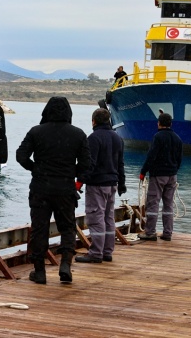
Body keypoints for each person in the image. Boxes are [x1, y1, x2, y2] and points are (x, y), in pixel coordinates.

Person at [16, 96, 91, 284]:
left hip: (41, 188)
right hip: (65, 189)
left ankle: (39, 271)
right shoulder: (78, 134)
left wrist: (36, 168)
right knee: (67, 228)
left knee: (39, 229)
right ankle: (65, 264)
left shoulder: (36, 132)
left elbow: (21, 156)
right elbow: (86, 165)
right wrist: (71, 175)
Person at [75, 108, 125, 263]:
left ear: (94, 121)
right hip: (112, 184)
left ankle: (96, 253)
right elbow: (120, 164)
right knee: (108, 218)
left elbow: (90, 164)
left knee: (96, 218)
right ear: (108, 121)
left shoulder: (94, 138)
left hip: (97, 185)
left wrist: (78, 182)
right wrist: (122, 183)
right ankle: (107, 252)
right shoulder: (118, 138)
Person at [138, 113, 183, 242]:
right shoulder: (177, 138)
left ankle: (150, 232)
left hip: (158, 175)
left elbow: (151, 156)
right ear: (171, 124)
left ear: (158, 123)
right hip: (172, 176)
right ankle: (167, 232)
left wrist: (143, 171)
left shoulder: (157, 137)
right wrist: (173, 170)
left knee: (153, 203)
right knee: (168, 205)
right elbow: (179, 159)